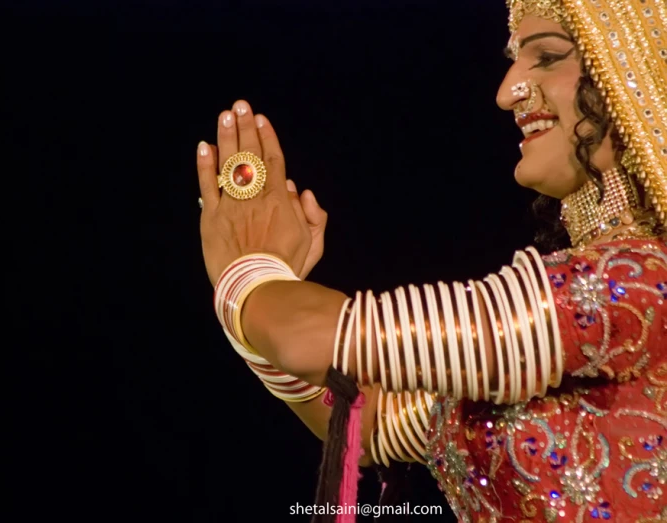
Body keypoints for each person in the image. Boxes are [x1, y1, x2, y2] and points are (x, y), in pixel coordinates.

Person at [196, 0, 667, 521]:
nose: (507, 91)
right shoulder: (585, 299)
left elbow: (310, 336)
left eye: (549, 57)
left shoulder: (640, 282)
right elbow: (369, 423)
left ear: (643, 68)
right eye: (513, 62)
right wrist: (251, 287)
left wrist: (250, 276)